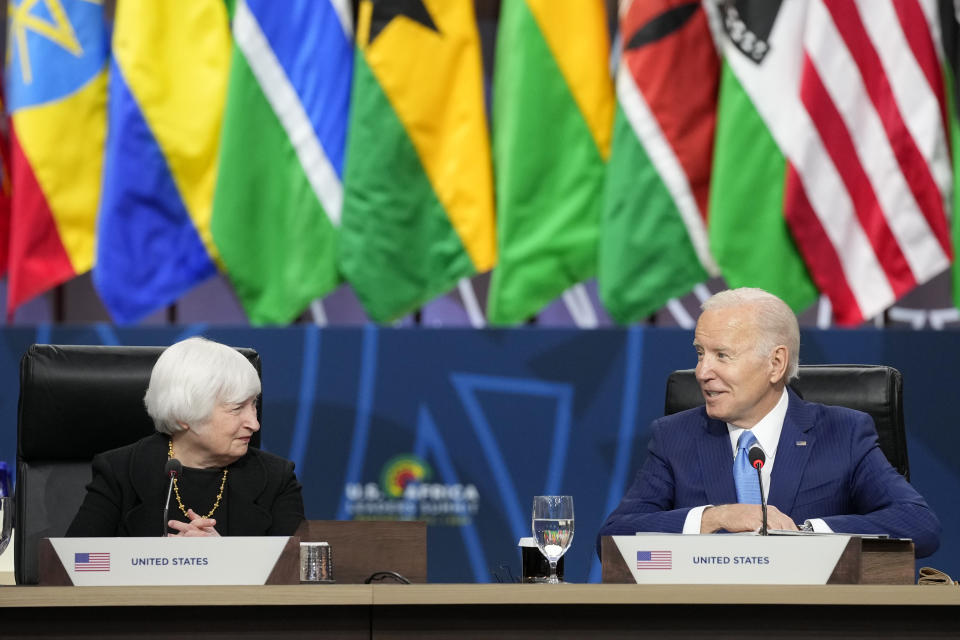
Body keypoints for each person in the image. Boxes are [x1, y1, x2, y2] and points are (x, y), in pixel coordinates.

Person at [597, 288, 941, 558]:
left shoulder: (844, 433)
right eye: (700, 353)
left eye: (722, 355)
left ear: (775, 364)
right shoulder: (676, 437)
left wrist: (806, 534)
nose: (702, 372)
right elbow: (612, 538)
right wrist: (715, 518)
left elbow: (919, 524)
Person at [67, 337, 305, 537]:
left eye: (253, 405)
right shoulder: (119, 472)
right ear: (184, 415)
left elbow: (298, 575)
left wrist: (226, 558)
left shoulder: (276, 478)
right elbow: (72, 566)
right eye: (236, 408)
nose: (254, 423)